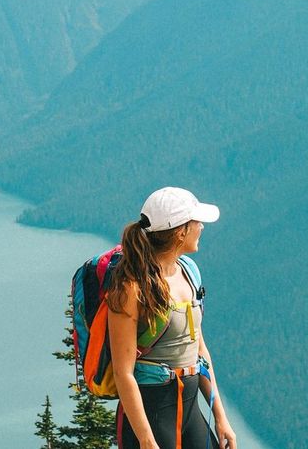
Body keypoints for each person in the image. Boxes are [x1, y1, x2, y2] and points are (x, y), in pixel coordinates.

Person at [107, 187, 237, 449]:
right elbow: (124, 373)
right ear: (180, 232)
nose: (201, 227)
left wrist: (221, 417)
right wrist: (145, 440)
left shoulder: (190, 272)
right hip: (151, 419)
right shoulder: (131, 288)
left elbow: (199, 349)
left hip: (191, 413)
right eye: (196, 222)